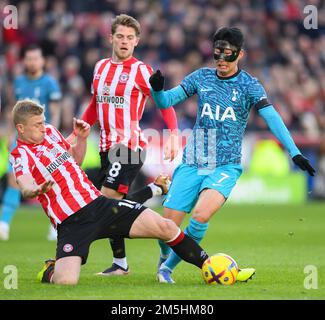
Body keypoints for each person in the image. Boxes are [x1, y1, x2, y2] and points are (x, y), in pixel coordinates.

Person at [149, 27, 316, 283]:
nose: (222, 62)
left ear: (240, 54)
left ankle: (167, 269)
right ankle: (165, 257)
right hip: (193, 161)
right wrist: (158, 91)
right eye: (218, 56)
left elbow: (272, 117)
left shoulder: (250, 85)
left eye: (228, 56)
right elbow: (165, 102)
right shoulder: (201, 77)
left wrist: (294, 152)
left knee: (201, 215)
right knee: (165, 228)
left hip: (225, 165)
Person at [10, 99, 208, 285]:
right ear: (21, 128)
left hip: (99, 205)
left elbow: (75, 159)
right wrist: (34, 189)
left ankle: (210, 266)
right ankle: (50, 270)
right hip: (71, 222)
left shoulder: (52, 132)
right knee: (66, 281)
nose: (43, 127)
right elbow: (24, 183)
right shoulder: (20, 155)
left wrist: (81, 139)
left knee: (165, 227)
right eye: (37, 125)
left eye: (43, 122)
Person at [76, 14, 180, 276]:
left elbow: (163, 101)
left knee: (105, 201)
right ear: (111, 38)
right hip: (105, 146)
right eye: (120, 36)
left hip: (129, 146)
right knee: (111, 207)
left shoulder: (141, 71)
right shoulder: (100, 67)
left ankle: (154, 191)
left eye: (130, 38)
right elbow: (95, 105)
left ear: (137, 42)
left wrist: (173, 133)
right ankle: (120, 263)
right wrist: (76, 133)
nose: (124, 42)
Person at [0, 44, 62, 242]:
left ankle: (56, 225)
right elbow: (11, 109)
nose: (32, 62)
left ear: (42, 61)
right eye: (28, 58)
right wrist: (10, 132)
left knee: (50, 180)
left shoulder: (50, 83)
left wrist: (52, 135)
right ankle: (4, 223)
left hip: (42, 140)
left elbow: (56, 111)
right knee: (13, 179)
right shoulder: (18, 82)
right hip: (20, 139)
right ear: (24, 61)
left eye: (35, 58)